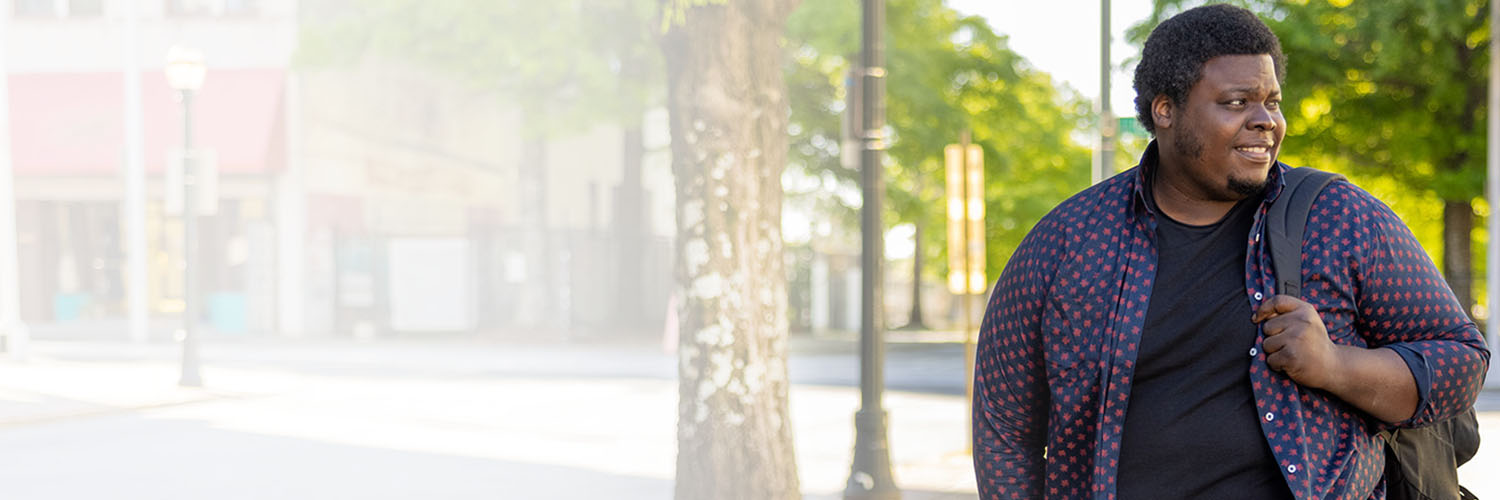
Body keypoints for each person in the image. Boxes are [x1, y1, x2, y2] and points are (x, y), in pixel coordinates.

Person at [971, 4, 1490, 499]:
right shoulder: (1068, 243)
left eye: (1272, 102)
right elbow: (1005, 426)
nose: (1265, 120)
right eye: (1237, 102)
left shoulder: (1340, 219)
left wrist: (1335, 365)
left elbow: (1461, 359)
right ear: (1165, 110)